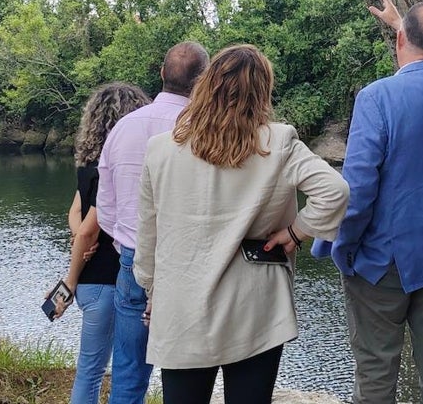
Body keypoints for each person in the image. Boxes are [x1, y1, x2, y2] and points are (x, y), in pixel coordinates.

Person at [134, 44, 349, 404]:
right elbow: (336, 191)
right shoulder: (279, 141)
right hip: (256, 305)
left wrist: (152, 291)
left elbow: (148, 234)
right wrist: (296, 233)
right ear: (262, 91)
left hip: (182, 307)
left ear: (207, 85)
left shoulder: (160, 148)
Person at [318, 0, 423, 404]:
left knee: (376, 368)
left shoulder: (377, 97)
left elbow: (357, 187)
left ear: (399, 42)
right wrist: (402, 26)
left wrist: (344, 246)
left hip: (382, 256)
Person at [97, 41, 209, 403]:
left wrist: (126, 247)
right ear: (204, 80)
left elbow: (106, 206)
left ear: (161, 74)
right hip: (191, 265)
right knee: (192, 376)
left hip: (132, 259)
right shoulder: (208, 131)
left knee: (129, 376)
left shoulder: (123, 128)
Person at [49, 82, 152, 404]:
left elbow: (77, 215)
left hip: (93, 283)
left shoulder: (88, 169)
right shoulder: (132, 167)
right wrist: (70, 277)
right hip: (118, 279)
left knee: (90, 369)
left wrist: (74, 271)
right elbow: (87, 232)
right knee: (126, 368)